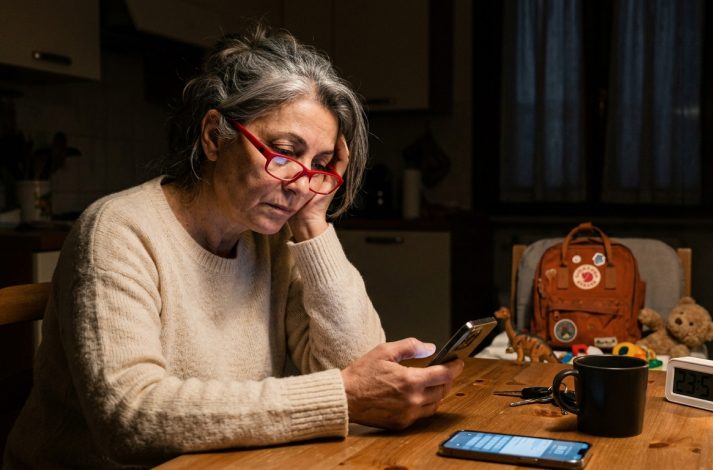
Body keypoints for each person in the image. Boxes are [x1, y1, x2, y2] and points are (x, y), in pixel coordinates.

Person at [3, 25, 463, 469]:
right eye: (284, 153)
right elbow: (130, 417)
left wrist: (313, 221)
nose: (302, 184)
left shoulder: (276, 236)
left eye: (320, 164)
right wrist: (341, 395)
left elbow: (356, 367)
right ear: (213, 136)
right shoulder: (119, 230)